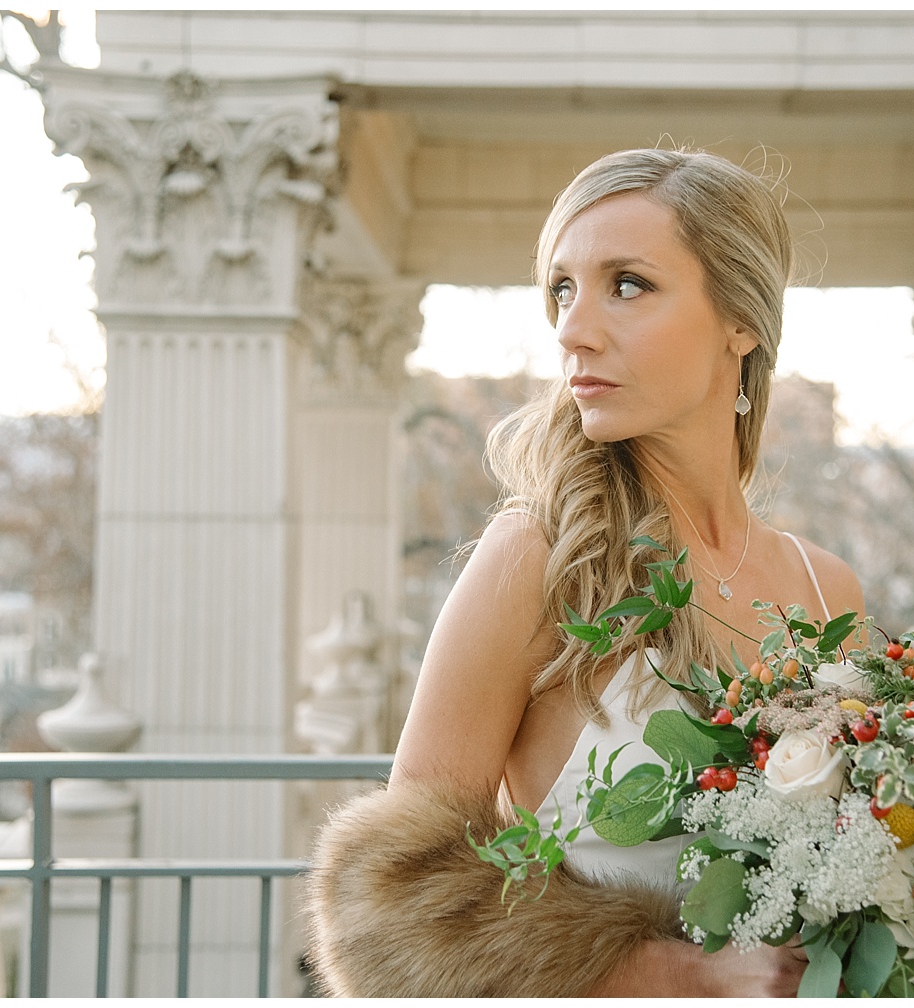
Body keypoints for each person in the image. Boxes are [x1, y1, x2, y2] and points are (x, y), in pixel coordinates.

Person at [304, 147, 865, 997]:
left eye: (627, 284)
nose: (572, 326)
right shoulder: (541, 556)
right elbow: (386, 903)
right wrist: (676, 972)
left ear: (739, 322)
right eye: (562, 289)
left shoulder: (830, 592)